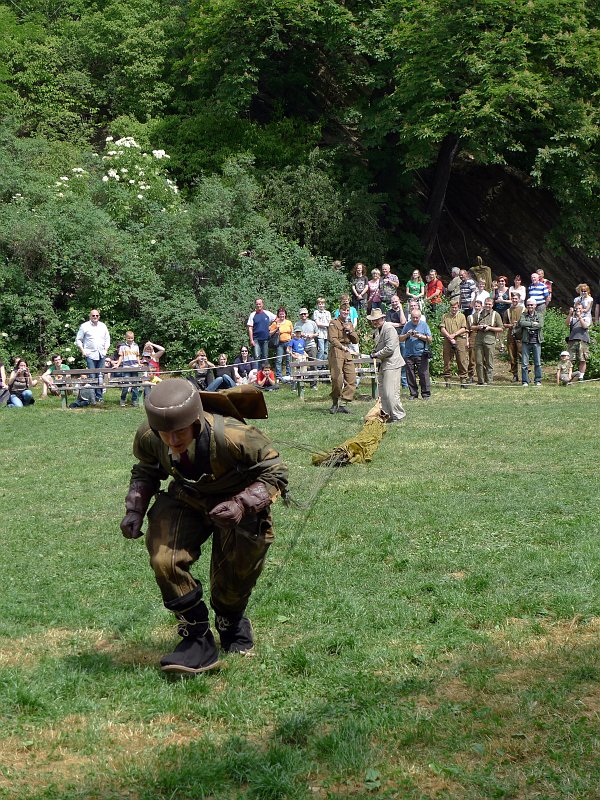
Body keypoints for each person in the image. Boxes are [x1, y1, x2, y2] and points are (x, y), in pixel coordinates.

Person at [119, 379, 288, 674]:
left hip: (239, 502)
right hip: (187, 498)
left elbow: (276, 472)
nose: (172, 440)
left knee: (234, 579)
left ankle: (230, 621)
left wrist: (242, 504)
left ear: (196, 420)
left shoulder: (236, 436)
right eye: (165, 432)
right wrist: (135, 508)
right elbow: (146, 469)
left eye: (180, 431)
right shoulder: (149, 436)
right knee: (164, 559)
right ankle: (196, 637)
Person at [367, 308, 405, 423]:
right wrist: (374, 352)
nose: (375, 322)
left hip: (392, 364)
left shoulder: (389, 329)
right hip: (385, 364)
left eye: (377, 320)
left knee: (391, 392)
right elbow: (380, 346)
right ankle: (387, 415)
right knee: (383, 392)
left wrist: (376, 355)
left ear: (382, 318)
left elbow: (390, 348)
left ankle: (399, 415)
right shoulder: (378, 330)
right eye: (373, 320)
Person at [328, 305, 359, 413]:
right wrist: (342, 347)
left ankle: (344, 403)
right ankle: (335, 402)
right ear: (339, 311)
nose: (345, 312)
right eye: (343, 310)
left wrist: (350, 331)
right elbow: (332, 339)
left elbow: (355, 340)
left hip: (347, 351)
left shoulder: (349, 323)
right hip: (337, 350)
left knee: (352, 378)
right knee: (337, 378)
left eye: (347, 311)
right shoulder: (333, 322)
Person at [75, 309, 110, 402]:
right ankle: (92, 396)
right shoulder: (84, 326)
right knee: (92, 376)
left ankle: (99, 397)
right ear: (90, 316)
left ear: (99, 316)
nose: (95, 317)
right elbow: (78, 339)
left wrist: (106, 350)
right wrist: (83, 350)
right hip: (90, 354)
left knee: (100, 376)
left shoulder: (103, 326)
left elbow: (107, 338)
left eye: (97, 315)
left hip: (101, 354)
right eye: (93, 315)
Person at [399, 308, 432, 400]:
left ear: (420, 317)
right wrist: (407, 335)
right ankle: (413, 393)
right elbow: (400, 338)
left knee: (424, 374)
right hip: (408, 354)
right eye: (413, 317)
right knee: (410, 375)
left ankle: (426, 394)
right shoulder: (407, 325)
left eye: (417, 318)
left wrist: (419, 336)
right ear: (410, 317)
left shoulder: (424, 325)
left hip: (421, 353)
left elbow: (430, 339)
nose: (415, 319)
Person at [471, 297, 503, 384]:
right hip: (479, 340)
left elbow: (501, 328)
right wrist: (478, 327)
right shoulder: (478, 314)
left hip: (490, 340)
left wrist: (490, 328)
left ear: (492, 305)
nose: (487, 306)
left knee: (489, 362)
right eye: (486, 304)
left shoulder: (496, 315)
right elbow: (471, 327)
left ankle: (489, 381)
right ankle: (480, 381)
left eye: (489, 304)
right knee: (479, 361)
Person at [439, 301, 468, 387]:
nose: (454, 309)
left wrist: (454, 335)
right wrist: (449, 336)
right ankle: (448, 381)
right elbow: (442, 328)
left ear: (458, 307)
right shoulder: (445, 316)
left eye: (455, 307)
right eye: (452, 307)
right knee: (447, 360)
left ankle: (463, 380)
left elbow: (464, 328)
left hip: (459, 339)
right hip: (448, 340)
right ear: (450, 307)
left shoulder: (462, 316)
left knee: (461, 359)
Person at [517, 299, 544, 386]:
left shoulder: (539, 315)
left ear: (535, 305)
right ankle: (525, 381)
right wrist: (533, 324)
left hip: (536, 341)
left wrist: (528, 325)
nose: (530, 306)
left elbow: (540, 325)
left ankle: (538, 380)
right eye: (528, 305)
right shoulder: (523, 315)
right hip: (526, 341)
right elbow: (521, 323)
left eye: (531, 305)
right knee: (524, 363)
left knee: (538, 362)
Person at [386, 295, 408, 388]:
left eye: (396, 301)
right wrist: (399, 324)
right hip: (392, 339)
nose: (394, 303)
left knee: (403, 360)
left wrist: (401, 309)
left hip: (402, 338)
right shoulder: (388, 312)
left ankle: (404, 383)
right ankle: (393, 382)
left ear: (399, 302)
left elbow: (404, 322)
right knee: (392, 360)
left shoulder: (404, 311)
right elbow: (388, 324)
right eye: (393, 302)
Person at [247, 298, 276, 368]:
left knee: (265, 357)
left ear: (262, 304)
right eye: (257, 304)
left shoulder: (267, 313)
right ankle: (257, 374)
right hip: (256, 340)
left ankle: (265, 374)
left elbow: (276, 319)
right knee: (257, 357)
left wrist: (272, 326)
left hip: (266, 339)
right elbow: (250, 328)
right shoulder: (252, 315)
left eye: (259, 304)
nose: (258, 305)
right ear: (255, 305)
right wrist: (251, 340)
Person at [116, 331, 141, 407]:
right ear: (126, 338)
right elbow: (121, 356)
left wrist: (139, 363)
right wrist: (117, 364)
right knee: (126, 385)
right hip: (126, 367)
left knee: (135, 385)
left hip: (135, 367)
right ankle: (123, 399)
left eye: (132, 338)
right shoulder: (123, 346)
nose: (130, 339)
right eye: (129, 338)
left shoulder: (136, 346)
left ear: (134, 338)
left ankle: (134, 400)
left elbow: (137, 356)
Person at [567, 303, 591, 381]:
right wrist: (570, 314)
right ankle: (569, 376)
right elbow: (566, 324)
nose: (578, 310)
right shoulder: (572, 318)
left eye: (580, 308)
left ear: (583, 309)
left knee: (582, 359)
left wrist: (579, 317)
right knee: (570, 359)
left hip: (583, 340)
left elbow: (585, 326)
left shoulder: (586, 317)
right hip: (572, 340)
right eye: (577, 308)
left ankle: (581, 377)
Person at [503, 293, 524, 382]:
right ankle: (515, 375)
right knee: (512, 356)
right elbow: (504, 324)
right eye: (513, 299)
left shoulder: (523, 310)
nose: (514, 300)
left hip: (521, 336)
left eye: (516, 299)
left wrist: (519, 324)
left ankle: (525, 374)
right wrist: (511, 325)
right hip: (511, 335)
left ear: (519, 299)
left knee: (522, 355)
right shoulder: (507, 311)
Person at [270, 307, 294, 381]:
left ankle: (289, 375)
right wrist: (276, 328)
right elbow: (270, 333)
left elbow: (292, 332)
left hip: (288, 342)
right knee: (279, 360)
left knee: (288, 359)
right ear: (278, 315)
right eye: (280, 314)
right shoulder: (275, 323)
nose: (282, 316)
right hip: (279, 343)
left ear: (285, 315)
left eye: (283, 314)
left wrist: (292, 342)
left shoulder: (289, 322)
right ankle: (278, 376)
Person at [312, 298, 332, 364]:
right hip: (320, 334)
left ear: (324, 304)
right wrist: (327, 325)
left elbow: (330, 322)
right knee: (321, 350)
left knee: (326, 351)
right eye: (319, 304)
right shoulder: (316, 312)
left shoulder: (328, 313)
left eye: (322, 304)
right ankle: (319, 365)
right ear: (317, 305)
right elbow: (318, 323)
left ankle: (324, 365)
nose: (321, 305)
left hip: (327, 334)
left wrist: (327, 325)